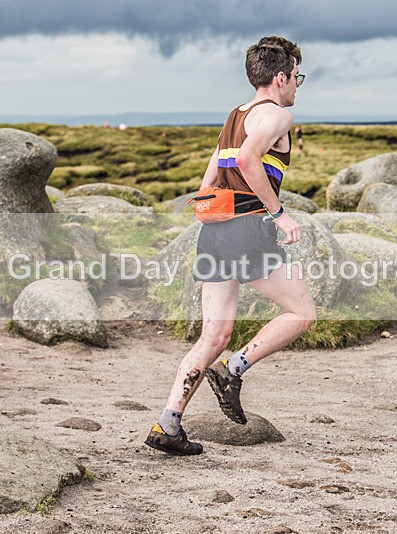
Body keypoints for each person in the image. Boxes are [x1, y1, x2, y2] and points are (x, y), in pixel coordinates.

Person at [145, 36, 316, 455]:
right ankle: (234, 368)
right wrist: (279, 213)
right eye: (298, 77)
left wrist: (221, 219)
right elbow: (247, 161)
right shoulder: (278, 116)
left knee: (214, 334)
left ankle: (167, 425)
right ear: (281, 77)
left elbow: (207, 186)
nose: (297, 84)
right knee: (302, 312)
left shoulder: (234, 116)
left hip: (216, 232)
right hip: (247, 228)